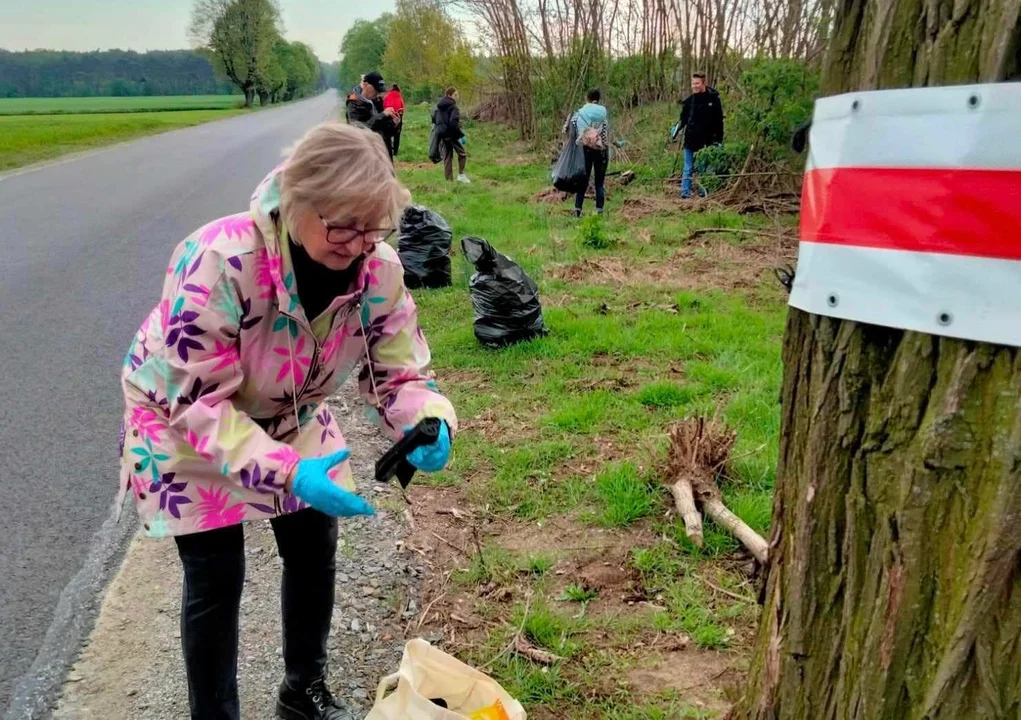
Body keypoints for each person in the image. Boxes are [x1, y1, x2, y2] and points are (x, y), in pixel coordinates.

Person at [117, 122, 457, 720]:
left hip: (288, 407)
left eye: (371, 228)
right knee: (216, 571)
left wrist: (427, 419)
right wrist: (288, 472)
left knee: (312, 539)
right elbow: (198, 404)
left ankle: (302, 691)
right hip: (186, 414)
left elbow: (400, 371)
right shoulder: (219, 261)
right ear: (297, 199)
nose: (355, 244)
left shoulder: (378, 270)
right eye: (341, 226)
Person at [676, 72, 724, 198]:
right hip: (690, 140)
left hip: (706, 142)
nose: (694, 86)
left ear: (703, 83)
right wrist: (676, 130)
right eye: (692, 83)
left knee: (704, 168)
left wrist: (719, 140)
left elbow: (719, 121)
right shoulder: (689, 102)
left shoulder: (714, 99)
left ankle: (704, 192)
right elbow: (683, 120)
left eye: (697, 83)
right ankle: (685, 193)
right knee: (688, 168)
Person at [567, 87, 609, 217]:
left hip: (584, 151)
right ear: (598, 99)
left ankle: (578, 210)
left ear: (587, 98)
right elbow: (605, 134)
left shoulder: (578, 114)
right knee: (599, 183)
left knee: (582, 181)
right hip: (601, 151)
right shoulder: (604, 115)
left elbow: (568, 129)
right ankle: (599, 211)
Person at [345, 71, 399, 160]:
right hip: (364, 155)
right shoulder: (354, 103)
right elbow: (358, 129)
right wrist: (382, 115)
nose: (378, 93)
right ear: (366, 85)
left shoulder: (377, 100)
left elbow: (384, 130)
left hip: (382, 153)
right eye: (376, 89)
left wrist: (394, 124)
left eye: (380, 91)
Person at [433, 87, 469, 183]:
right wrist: (461, 135)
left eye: (457, 95)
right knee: (462, 154)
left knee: (448, 157)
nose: (457, 97)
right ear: (449, 95)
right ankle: (461, 175)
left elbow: (434, 118)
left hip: (442, 134)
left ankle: (449, 181)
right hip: (451, 135)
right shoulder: (453, 107)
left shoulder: (439, 106)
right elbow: (453, 123)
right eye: (455, 95)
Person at [382, 83, 405, 157]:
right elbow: (402, 107)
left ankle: (388, 149)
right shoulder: (399, 97)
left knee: (387, 134)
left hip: (388, 116)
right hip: (397, 116)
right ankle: (395, 151)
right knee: (397, 135)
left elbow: (383, 105)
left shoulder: (387, 96)